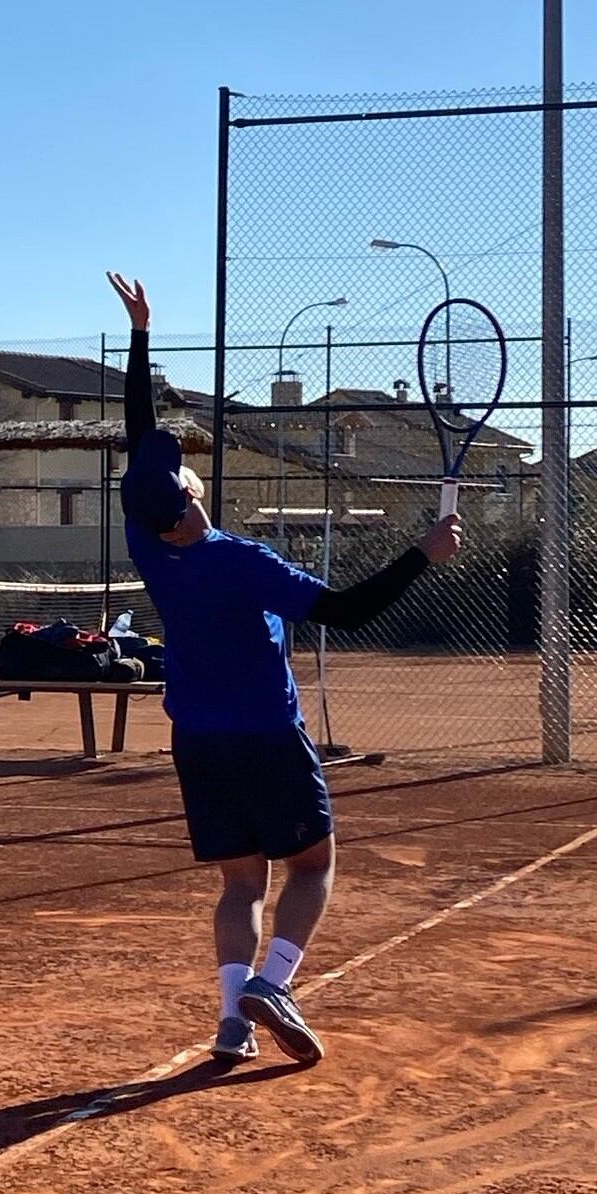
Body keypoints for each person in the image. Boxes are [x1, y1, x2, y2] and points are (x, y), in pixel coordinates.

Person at [108, 271, 463, 1067]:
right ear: (191, 499)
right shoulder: (242, 561)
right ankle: (274, 981)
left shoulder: (147, 544)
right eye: (187, 469)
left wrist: (140, 334)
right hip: (268, 736)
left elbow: (138, 441)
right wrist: (422, 555)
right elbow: (344, 613)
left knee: (239, 886)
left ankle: (233, 1022)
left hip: (197, 743)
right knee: (313, 865)